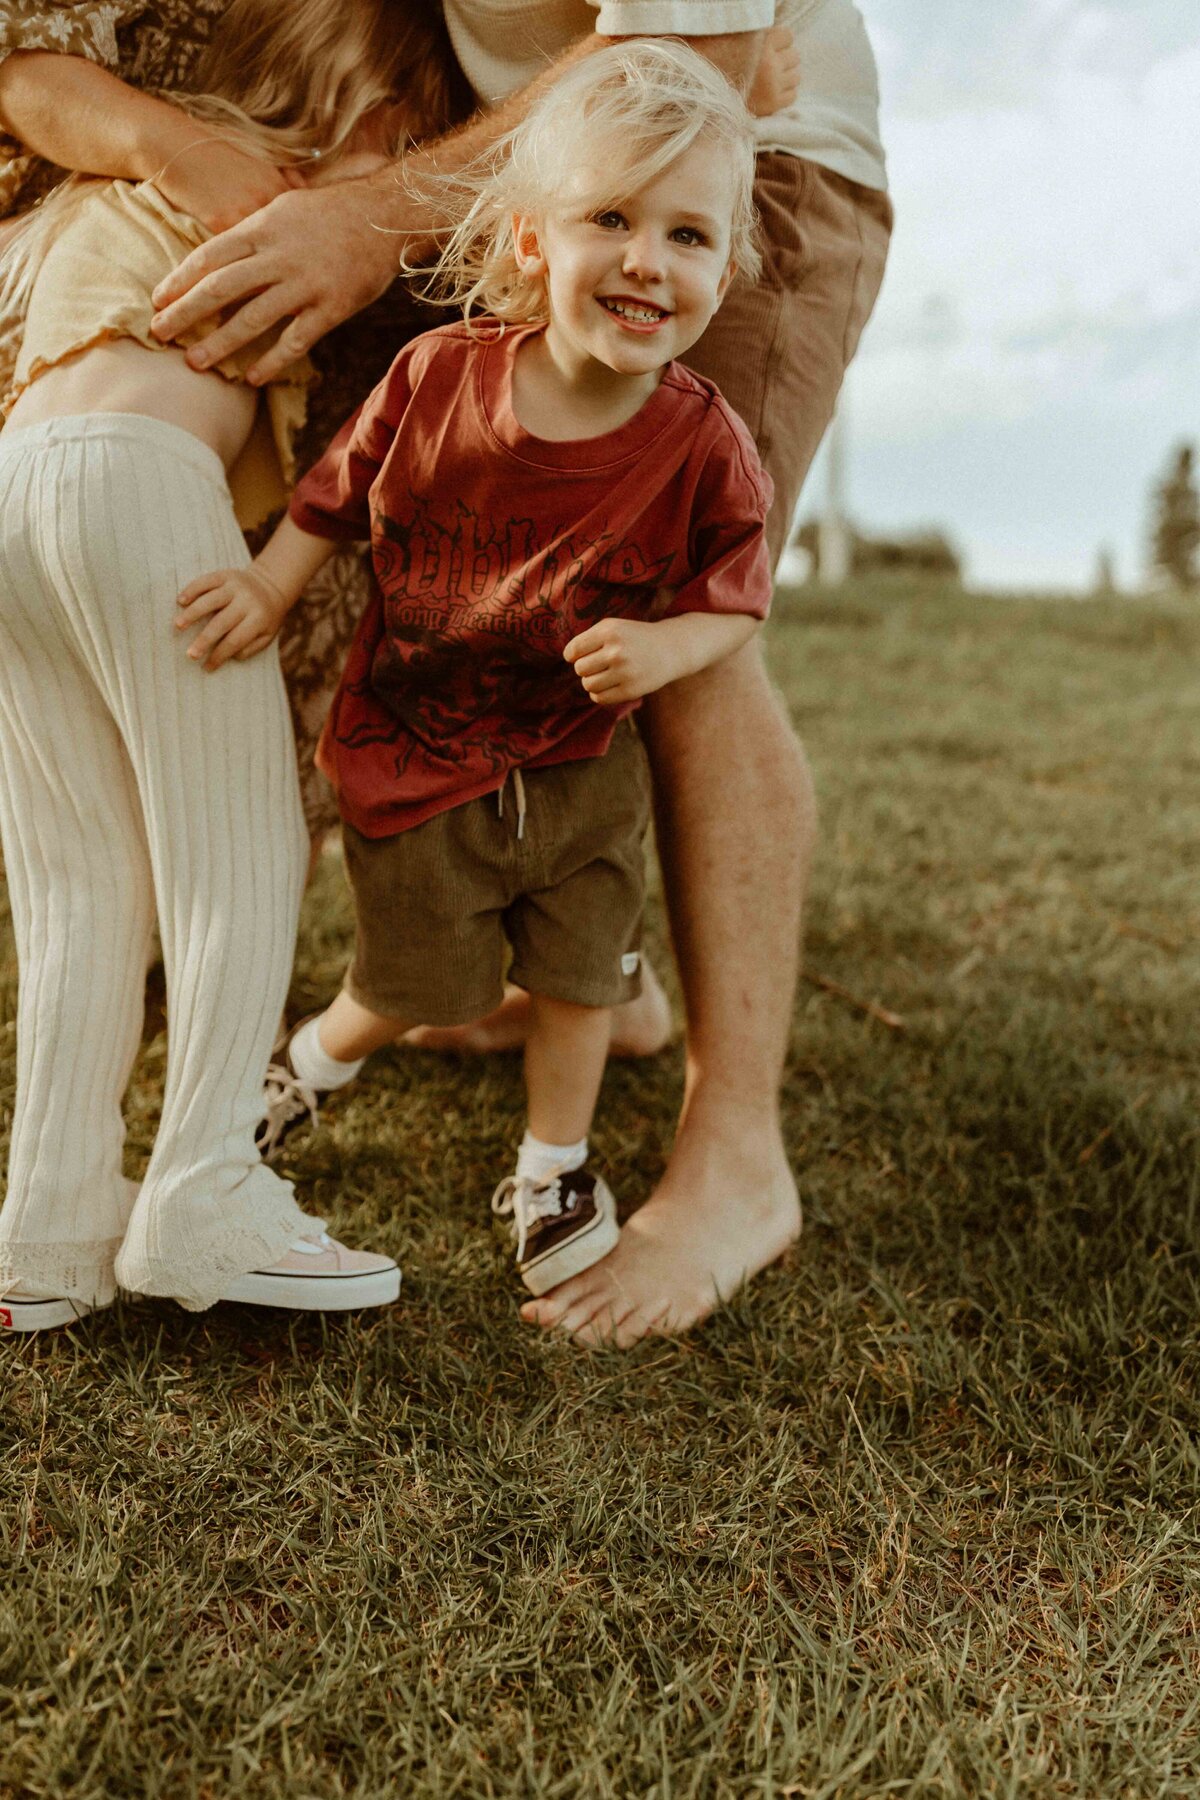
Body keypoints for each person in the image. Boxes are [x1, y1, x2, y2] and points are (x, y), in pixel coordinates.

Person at [144, 1, 892, 1349]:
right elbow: (353, 487)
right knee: (481, 574)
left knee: (670, 628)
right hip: (526, 173)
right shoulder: (458, 357)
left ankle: (734, 1162)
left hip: (730, 149)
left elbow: (696, 70)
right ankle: (582, 979)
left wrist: (370, 218)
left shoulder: (680, 264)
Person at [0, 0, 453, 1329]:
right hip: (138, 488)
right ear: (368, 126)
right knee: (234, 854)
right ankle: (202, 1183)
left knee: (80, 884)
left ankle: (44, 1232)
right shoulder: (272, 210)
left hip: (14, 491)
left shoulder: (117, 175)